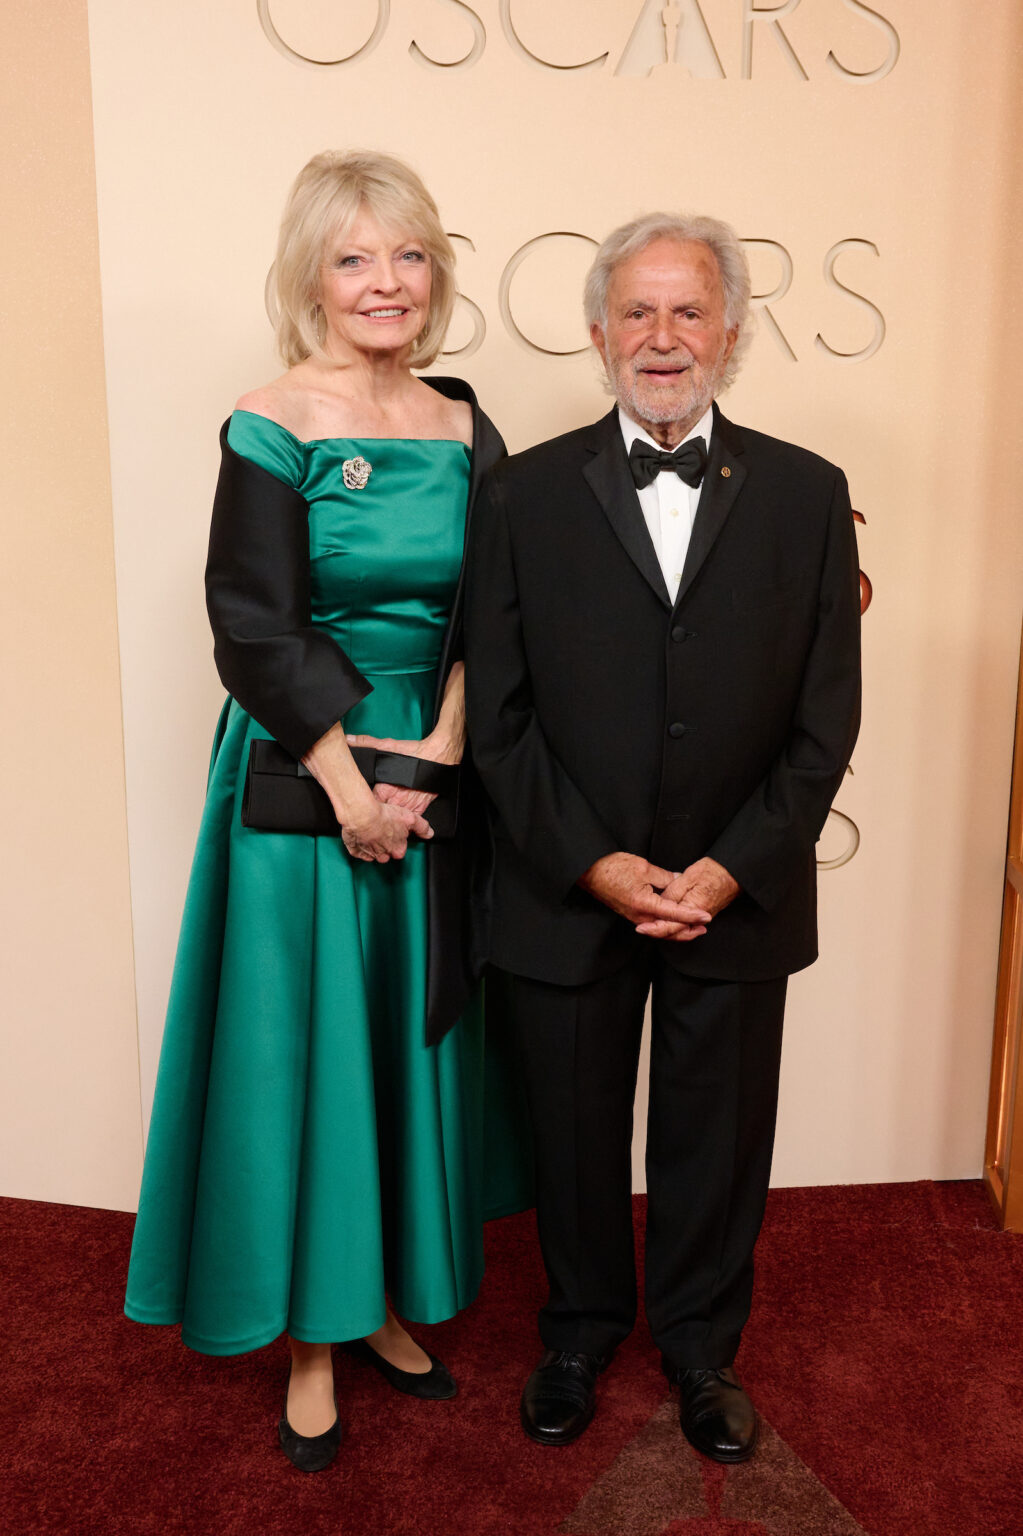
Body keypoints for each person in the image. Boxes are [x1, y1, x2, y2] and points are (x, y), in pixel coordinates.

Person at [125, 150, 526, 1473]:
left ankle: (385, 1302)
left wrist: (447, 746)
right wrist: (356, 790)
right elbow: (252, 621)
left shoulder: (464, 425)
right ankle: (310, 1335)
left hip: (431, 772)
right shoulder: (270, 419)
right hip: (307, 774)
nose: (383, 282)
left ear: (434, 274)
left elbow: (498, 607)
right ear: (311, 276)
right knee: (306, 1052)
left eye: (406, 256)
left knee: (405, 1040)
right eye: (354, 258)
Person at [464, 213, 861, 1463]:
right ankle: (577, 1335)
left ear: (731, 332)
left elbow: (827, 718)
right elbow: (499, 718)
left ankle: (700, 1350)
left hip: (735, 890)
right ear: (597, 331)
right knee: (573, 1131)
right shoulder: (517, 494)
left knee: (717, 1137)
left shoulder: (809, 493)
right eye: (637, 310)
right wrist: (594, 862)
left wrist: (734, 866)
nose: (663, 336)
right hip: (568, 887)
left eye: (690, 310)